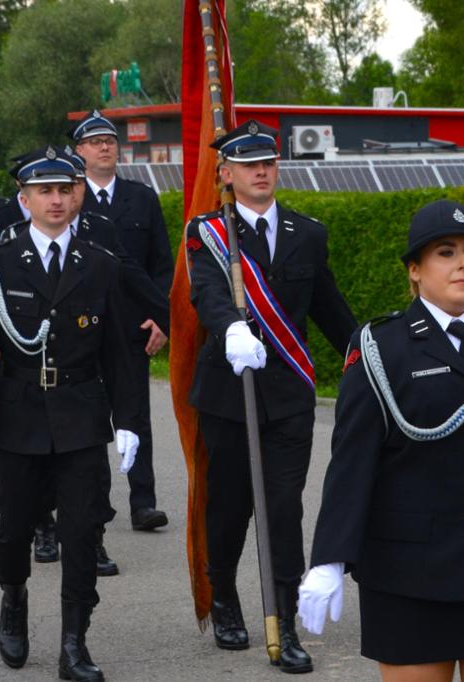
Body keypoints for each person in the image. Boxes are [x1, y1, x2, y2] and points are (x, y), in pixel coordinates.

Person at [298, 199, 464, 680]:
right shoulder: (380, 347)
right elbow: (353, 460)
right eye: (446, 252)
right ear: (415, 271)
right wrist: (329, 559)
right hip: (409, 573)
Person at [0, 148, 147, 682]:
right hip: (19, 418)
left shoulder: (101, 264)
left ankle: (74, 643)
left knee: (83, 532)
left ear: (78, 194)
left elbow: (119, 352)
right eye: (45, 191)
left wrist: (129, 419)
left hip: (82, 417)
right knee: (15, 529)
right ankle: (13, 597)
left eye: (65, 190)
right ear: (24, 199)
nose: (57, 200)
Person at [187, 122, 358, 673]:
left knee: (284, 508)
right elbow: (207, 292)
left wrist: (369, 356)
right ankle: (225, 595)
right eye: (248, 164)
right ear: (228, 175)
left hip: (288, 394)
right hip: (228, 392)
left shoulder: (308, 232)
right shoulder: (209, 231)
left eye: (268, 162)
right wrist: (228, 327)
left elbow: (329, 307)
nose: (261, 171)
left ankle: (283, 620)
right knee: (231, 505)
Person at [73, 110, 173, 533]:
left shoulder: (142, 197)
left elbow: (162, 267)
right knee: (88, 419)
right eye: (94, 142)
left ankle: (142, 501)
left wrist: (159, 319)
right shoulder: (69, 197)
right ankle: (94, 503)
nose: (105, 147)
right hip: (82, 328)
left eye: (110, 140)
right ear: (79, 151)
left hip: (133, 326)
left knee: (135, 415)